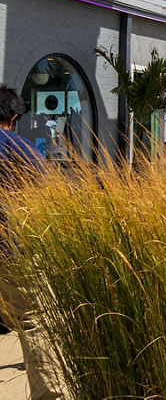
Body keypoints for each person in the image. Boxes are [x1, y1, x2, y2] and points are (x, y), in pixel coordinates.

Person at [0, 84, 62, 399]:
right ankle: (48, 394)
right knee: (34, 321)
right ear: (13, 117)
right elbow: (43, 200)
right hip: (12, 247)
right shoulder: (22, 149)